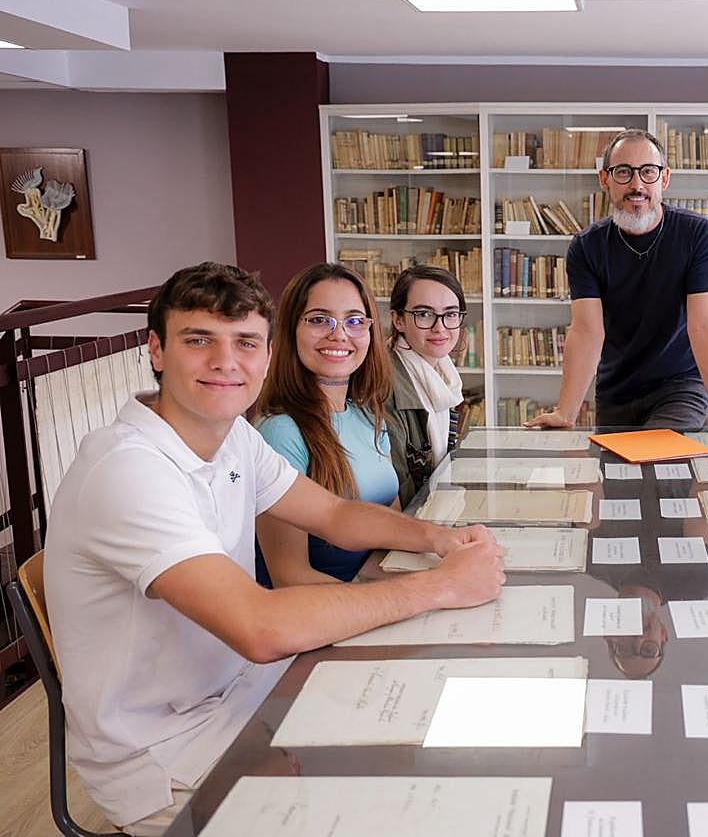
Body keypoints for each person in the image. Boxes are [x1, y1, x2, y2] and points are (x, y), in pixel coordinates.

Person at [42, 262, 504, 836]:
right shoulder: (128, 469)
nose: (225, 362)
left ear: (265, 354)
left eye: (245, 343)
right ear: (156, 350)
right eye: (199, 340)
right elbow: (259, 626)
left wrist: (440, 539)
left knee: (434, 737)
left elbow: (333, 513)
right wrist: (439, 586)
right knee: (403, 809)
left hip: (242, 692)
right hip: (161, 751)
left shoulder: (233, 435)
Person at [523, 128, 708, 432]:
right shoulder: (586, 246)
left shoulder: (699, 236)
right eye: (623, 172)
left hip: (680, 387)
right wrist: (565, 413)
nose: (637, 185)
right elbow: (586, 330)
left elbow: (704, 324)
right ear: (604, 180)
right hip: (615, 391)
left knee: (663, 457)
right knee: (615, 474)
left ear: (664, 179)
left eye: (648, 172)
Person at [255, 262, 397, 586]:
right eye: (319, 320)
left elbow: (393, 528)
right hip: (327, 617)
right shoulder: (280, 431)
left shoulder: (367, 414)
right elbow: (290, 577)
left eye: (355, 321)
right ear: (290, 329)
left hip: (376, 589)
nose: (339, 334)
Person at [384, 264, 467, 506]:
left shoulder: (442, 372)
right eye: (424, 314)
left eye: (450, 314)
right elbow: (396, 488)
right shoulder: (384, 386)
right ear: (398, 319)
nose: (440, 327)